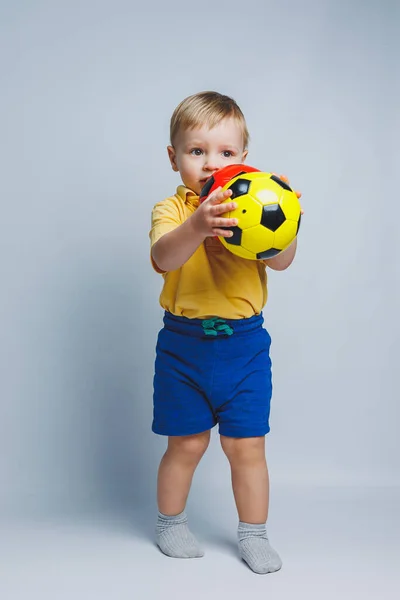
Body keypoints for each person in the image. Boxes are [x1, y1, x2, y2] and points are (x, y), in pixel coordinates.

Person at [149, 91, 302, 574]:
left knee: (247, 446)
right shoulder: (172, 210)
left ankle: (253, 535)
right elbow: (163, 258)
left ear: (242, 160)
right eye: (197, 151)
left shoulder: (250, 204)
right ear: (174, 158)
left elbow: (281, 262)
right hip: (183, 347)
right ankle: (170, 523)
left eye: (225, 153)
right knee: (187, 443)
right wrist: (197, 224)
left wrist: (284, 221)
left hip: (245, 348)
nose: (211, 162)